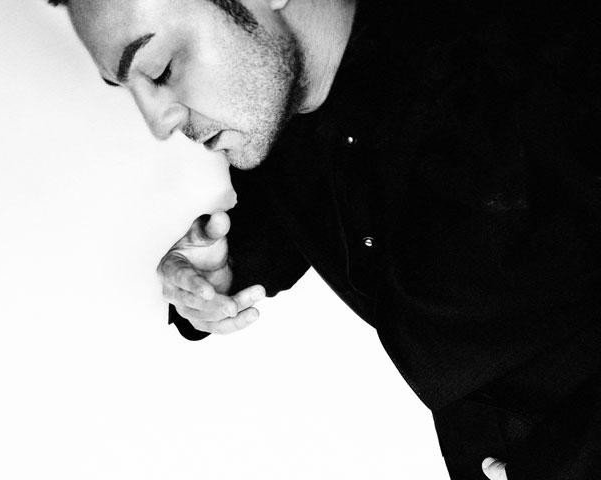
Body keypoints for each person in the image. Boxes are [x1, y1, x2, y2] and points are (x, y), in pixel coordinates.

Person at [49, 1, 601, 478]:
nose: (158, 123)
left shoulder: (540, 50)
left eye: (161, 68)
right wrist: (221, 272)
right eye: (127, 89)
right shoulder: (275, 125)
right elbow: (294, 213)